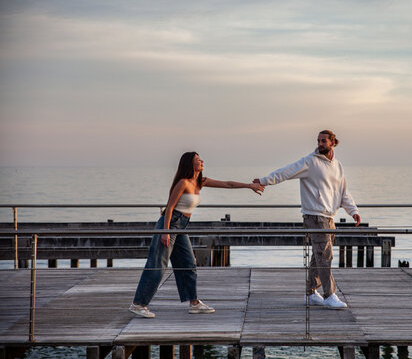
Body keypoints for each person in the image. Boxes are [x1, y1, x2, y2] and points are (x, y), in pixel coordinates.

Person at [129, 151, 265, 318]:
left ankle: (194, 303)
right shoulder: (183, 183)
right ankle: (138, 304)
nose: (202, 161)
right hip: (169, 225)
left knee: (188, 263)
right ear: (189, 164)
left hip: (181, 227)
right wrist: (165, 231)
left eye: (200, 159)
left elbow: (228, 184)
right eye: (197, 160)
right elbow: (170, 208)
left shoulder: (200, 182)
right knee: (158, 264)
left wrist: (249, 186)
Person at [254, 130, 360, 309]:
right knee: (325, 256)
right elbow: (286, 172)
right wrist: (264, 180)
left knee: (318, 256)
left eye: (324, 141)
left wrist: (353, 211)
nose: (320, 144)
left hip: (329, 216)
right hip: (315, 216)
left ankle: (310, 292)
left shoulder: (338, 166)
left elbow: (343, 192)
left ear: (333, 142)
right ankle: (330, 294)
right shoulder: (310, 162)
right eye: (318, 141)